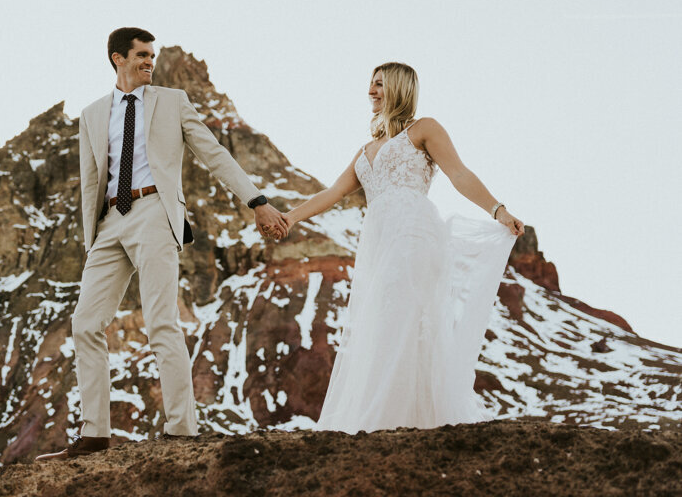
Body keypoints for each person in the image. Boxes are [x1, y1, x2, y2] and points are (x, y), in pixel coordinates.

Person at [37, 28, 288, 460]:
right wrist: (91, 239)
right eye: (140, 55)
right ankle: (95, 433)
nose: (149, 62)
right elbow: (91, 181)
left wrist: (257, 201)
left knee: (160, 321)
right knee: (85, 323)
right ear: (117, 58)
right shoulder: (93, 114)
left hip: (155, 211)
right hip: (109, 223)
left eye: (152, 55)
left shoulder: (172, 102)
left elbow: (213, 153)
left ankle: (182, 430)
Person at [281, 62, 524, 432]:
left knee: (405, 320)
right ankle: (400, 420)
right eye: (370, 84)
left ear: (398, 88)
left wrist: (498, 210)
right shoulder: (365, 150)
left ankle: (392, 420)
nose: (371, 91)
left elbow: (459, 173)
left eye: (379, 84)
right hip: (379, 243)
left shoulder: (424, 128)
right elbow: (333, 192)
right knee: (383, 321)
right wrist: (290, 218)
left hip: (414, 234)